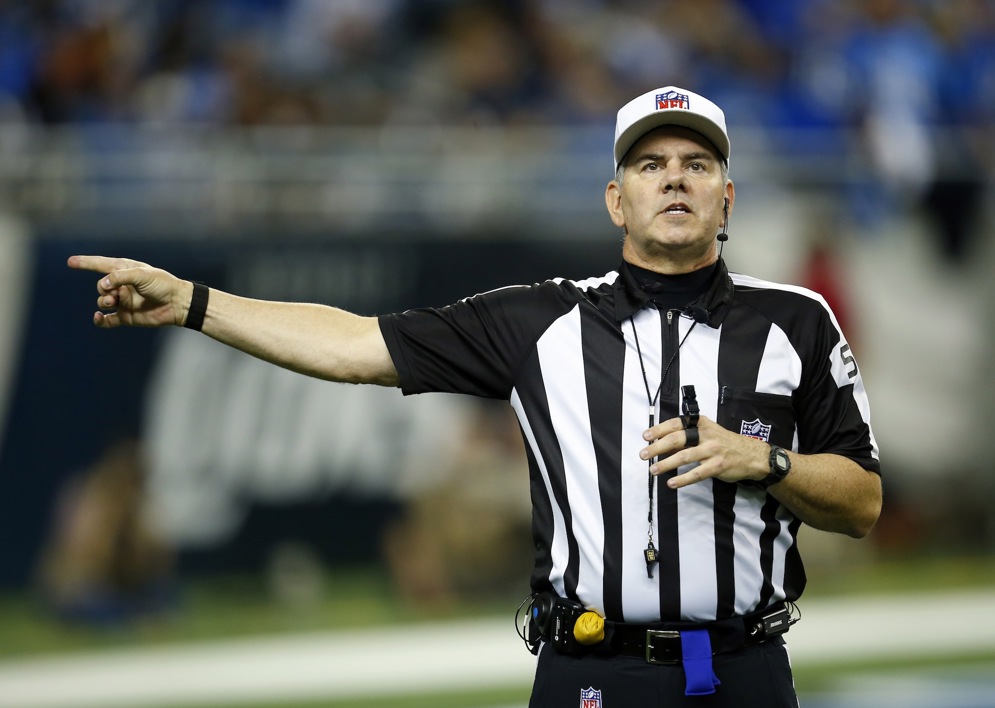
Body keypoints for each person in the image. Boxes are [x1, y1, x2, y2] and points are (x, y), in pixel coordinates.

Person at [69, 85, 882, 706]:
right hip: (589, 670)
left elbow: (861, 502)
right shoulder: (540, 321)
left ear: (726, 199)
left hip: (742, 668)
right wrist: (195, 303)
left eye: (696, 165)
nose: (674, 180)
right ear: (615, 199)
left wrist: (765, 459)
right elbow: (355, 344)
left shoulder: (795, 323)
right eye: (650, 164)